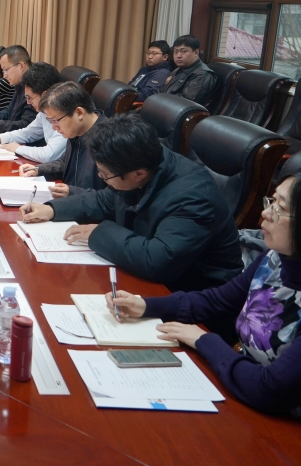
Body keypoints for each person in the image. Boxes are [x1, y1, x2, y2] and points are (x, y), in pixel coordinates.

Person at [107, 173, 301, 417]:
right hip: (238, 384)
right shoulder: (275, 259)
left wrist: (204, 340)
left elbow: (267, 389)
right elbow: (217, 300)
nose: (265, 213)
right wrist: (145, 305)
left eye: (280, 209)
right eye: (271, 202)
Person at [20, 114, 242, 293]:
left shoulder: (192, 198)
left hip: (191, 294)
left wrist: (98, 233)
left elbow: (157, 261)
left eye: (104, 174)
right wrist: (51, 209)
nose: (101, 177)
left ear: (138, 174)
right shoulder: (143, 161)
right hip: (144, 274)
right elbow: (105, 199)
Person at [20, 81, 107, 198]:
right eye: (50, 121)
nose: (54, 127)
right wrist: (39, 170)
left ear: (79, 113)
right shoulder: (77, 131)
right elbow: (64, 163)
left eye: (55, 121)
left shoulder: (109, 142)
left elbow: (114, 198)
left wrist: (72, 192)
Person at [0, 62, 66, 164]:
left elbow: (48, 155)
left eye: (30, 98)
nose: (28, 102)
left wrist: (17, 148)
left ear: (45, 95)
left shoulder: (65, 115)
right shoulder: (43, 112)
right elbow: (28, 133)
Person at [160, 34, 218, 106]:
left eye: (183, 51)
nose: (178, 56)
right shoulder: (177, 70)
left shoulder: (202, 75)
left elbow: (185, 104)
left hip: (178, 111)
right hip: (164, 107)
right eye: (176, 52)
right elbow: (162, 91)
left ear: (196, 52)